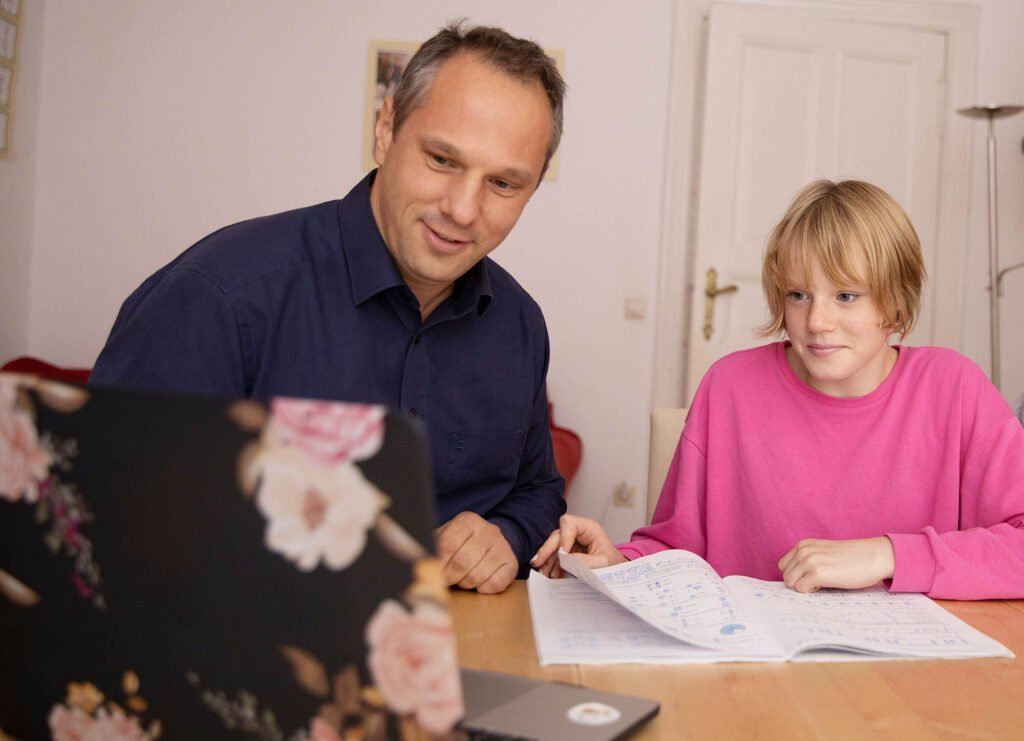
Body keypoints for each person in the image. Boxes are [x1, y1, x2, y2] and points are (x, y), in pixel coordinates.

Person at [90, 22, 568, 594]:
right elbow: (102, 514)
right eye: (442, 159)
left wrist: (507, 536)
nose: (463, 209)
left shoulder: (520, 324)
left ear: (533, 190)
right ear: (386, 130)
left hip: (469, 655)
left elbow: (538, 489)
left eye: (504, 184)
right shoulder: (219, 295)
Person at [534, 179, 1024, 600]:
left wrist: (888, 554)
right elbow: (677, 548)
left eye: (846, 295)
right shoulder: (730, 387)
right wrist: (615, 561)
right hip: (757, 672)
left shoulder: (954, 388)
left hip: (909, 679)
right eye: (798, 295)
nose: (817, 321)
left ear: (895, 302)